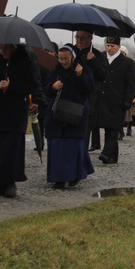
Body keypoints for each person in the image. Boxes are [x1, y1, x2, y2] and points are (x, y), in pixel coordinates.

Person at [0, 43, 41, 198]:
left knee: (12, 149)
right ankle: (0, 182)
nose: (3, 52)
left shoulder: (25, 62)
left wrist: (11, 86)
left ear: (13, 47)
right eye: (0, 49)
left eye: (5, 48)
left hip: (15, 113)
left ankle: (11, 183)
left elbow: (32, 85)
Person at [43, 45, 95, 187]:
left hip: (75, 115)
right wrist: (53, 87)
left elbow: (89, 88)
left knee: (73, 147)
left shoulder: (83, 69)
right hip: (57, 114)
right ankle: (58, 178)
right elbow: (46, 88)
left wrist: (80, 76)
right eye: (61, 59)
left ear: (72, 57)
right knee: (58, 147)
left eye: (66, 58)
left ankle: (74, 175)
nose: (64, 62)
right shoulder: (56, 71)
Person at [94, 37, 135, 164]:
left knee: (113, 128)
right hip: (102, 98)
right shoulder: (100, 58)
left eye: (112, 46)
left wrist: (128, 100)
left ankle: (106, 153)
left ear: (118, 46)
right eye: (107, 45)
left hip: (118, 100)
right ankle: (113, 156)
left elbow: (130, 83)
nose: (109, 48)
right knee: (107, 127)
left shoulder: (127, 62)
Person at [73, 31, 107, 153]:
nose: (80, 40)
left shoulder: (97, 55)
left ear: (90, 38)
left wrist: (93, 61)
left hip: (89, 97)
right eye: (77, 37)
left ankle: (81, 155)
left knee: (85, 129)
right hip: (71, 97)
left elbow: (102, 75)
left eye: (83, 38)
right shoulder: (71, 52)